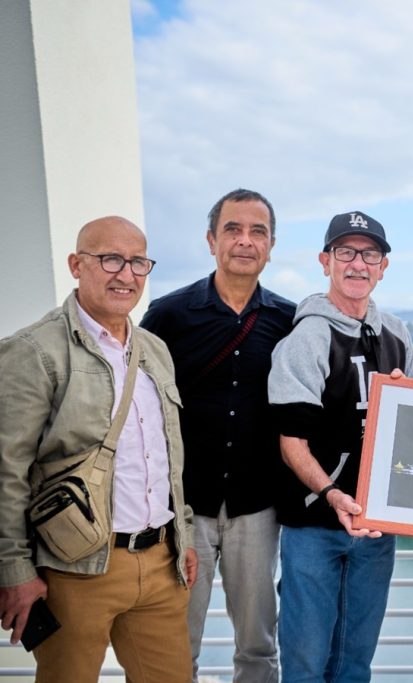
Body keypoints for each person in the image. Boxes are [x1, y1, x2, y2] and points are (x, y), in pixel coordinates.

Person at [0, 216, 196, 681]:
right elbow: (7, 471)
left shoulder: (155, 350)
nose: (126, 275)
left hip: (161, 562)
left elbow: (168, 457)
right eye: (110, 259)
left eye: (138, 262)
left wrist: (183, 533)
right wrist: (14, 570)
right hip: (74, 570)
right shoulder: (34, 351)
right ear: (76, 265)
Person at [140, 188, 295, 682]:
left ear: (271, 246)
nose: (245, 241)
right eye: (233, 229)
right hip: (184, 508)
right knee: (176, 643)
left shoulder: (290, 320)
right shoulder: (169, 315)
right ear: (211, 241)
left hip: (258, 506)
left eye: (257, 231)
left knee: (259, 644)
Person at [268, 211, 413, 683]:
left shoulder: (397, 334)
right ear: (325, 261)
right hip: (315, 523)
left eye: (369, 254)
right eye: (346, 252)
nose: (358, 264)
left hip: (376, 526)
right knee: (306, 664)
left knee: (355, 663)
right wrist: (332, 494)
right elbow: (292, 442)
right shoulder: (307, 337)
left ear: (383, 266)